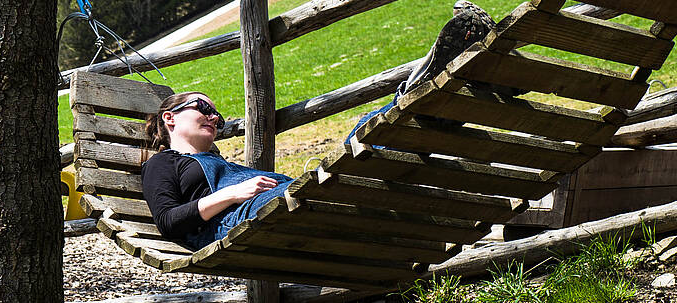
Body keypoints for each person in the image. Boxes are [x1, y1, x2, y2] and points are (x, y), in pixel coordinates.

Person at [140, 1, 495, 249]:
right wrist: (232, 193)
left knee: (362, 146)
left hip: (284, 201)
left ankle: (449, 88)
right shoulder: (162, 164)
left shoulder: (217, 163)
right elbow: (169, 221)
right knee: (354, 159)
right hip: (245, 220)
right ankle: (442, 84)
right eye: (204, 107)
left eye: (216, 114)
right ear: (169, 119)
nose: (214, 118)